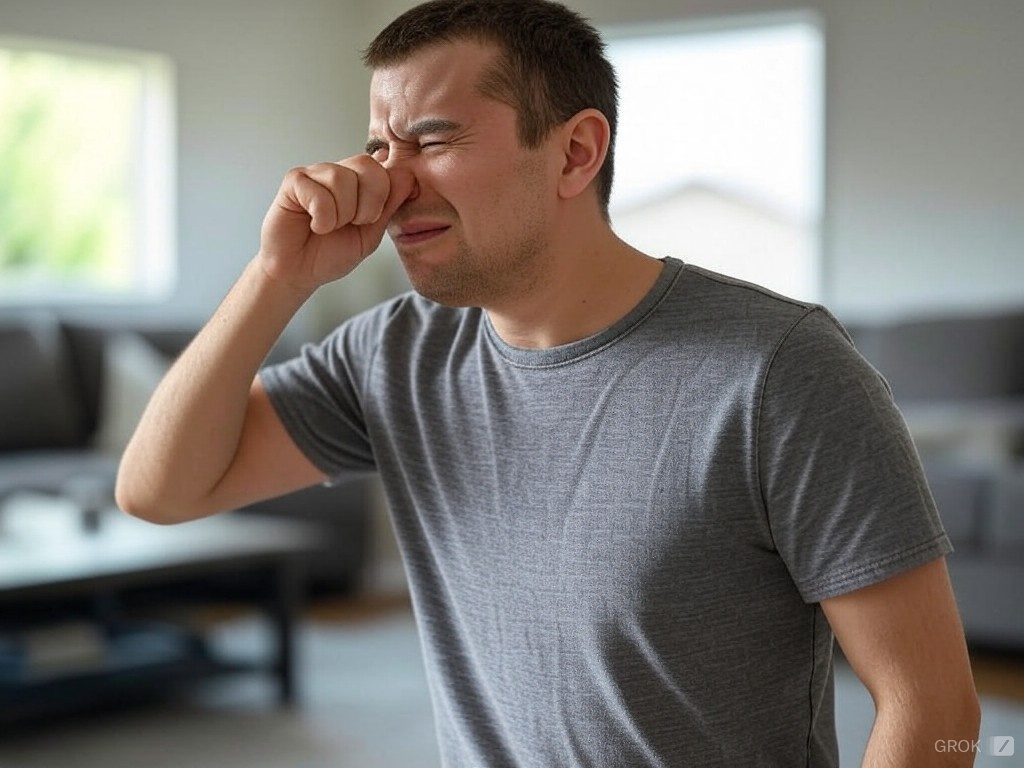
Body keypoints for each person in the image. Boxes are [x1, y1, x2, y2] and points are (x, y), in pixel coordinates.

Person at [117, 0, 981, 764]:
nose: (388, 182)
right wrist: (279, 277)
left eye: (434, 139)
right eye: (379, 145)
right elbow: (158, 491)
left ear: (575, 152)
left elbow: (935, 710)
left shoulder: (779, 371)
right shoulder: (393, 354)